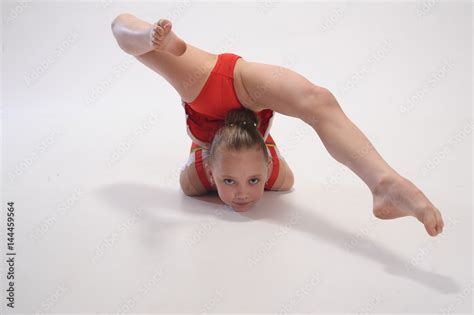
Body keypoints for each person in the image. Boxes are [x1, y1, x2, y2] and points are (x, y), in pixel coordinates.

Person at [111, 13, 444, 236]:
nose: (242, 192)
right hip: (243, 94)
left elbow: (117, 26)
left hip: (209, 90)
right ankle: (384, 185)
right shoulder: (276, 178)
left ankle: (385, 181)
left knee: (123, 30)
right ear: (268, 160)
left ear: (210, 170)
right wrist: (255, 174)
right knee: (316, 101)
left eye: (248, 179)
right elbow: (266, 174)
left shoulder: (196, 180)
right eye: (235, 180)